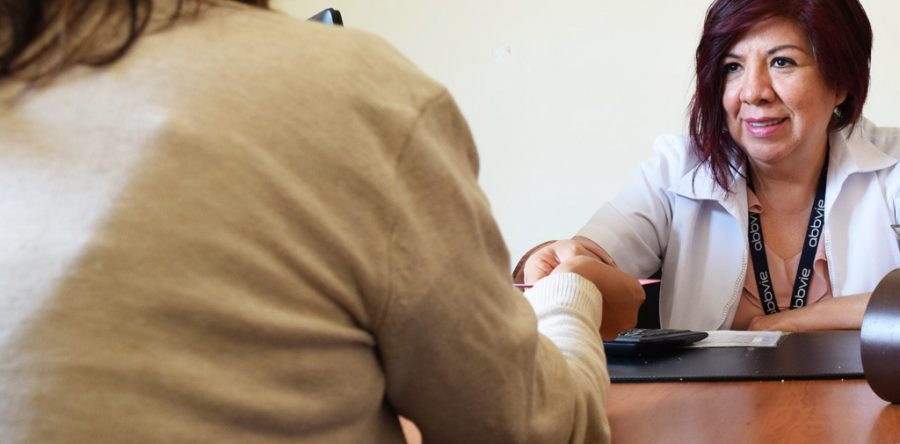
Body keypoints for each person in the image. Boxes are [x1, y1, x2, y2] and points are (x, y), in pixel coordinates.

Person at [0, 1, 640, 442]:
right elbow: (532, 427)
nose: (748, 92)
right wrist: (570, 287)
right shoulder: (350, 87)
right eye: (730, 66)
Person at [522, 0, 900, 332]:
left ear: (841, 82)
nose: (752, 92)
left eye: (782, 62)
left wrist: (784, 323)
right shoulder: (678, 168)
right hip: (708, 409)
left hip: (869, 406)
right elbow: (589, 252)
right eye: (733, 67)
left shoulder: (893, 164)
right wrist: (555, 260)